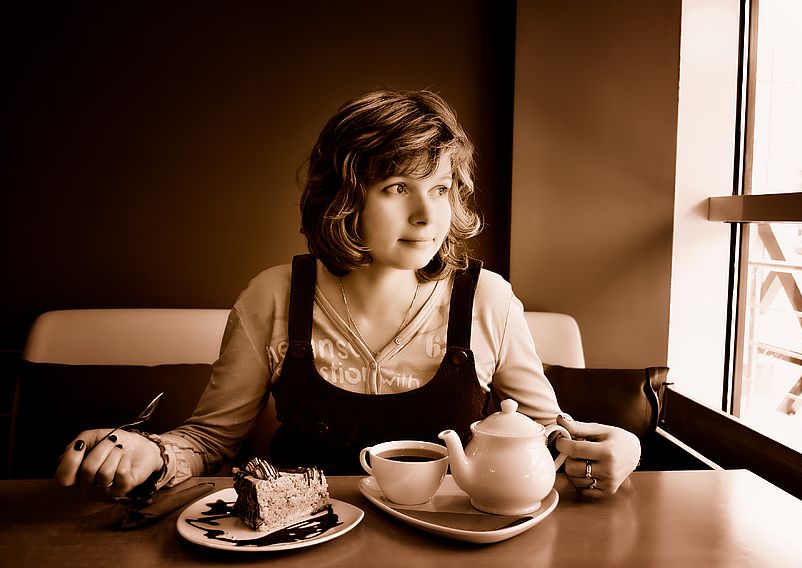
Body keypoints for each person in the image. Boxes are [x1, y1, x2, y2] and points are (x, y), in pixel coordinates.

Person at [55, 89, 641, 500]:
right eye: (397, 187)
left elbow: (546, 434)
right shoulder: (274, 295)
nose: (425, 214)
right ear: (344, 198)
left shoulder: (487, 300)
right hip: (289, 546)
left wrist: (607, 456)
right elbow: (209, 440)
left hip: (447, 551)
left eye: (439, 188)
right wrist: (149, 453)